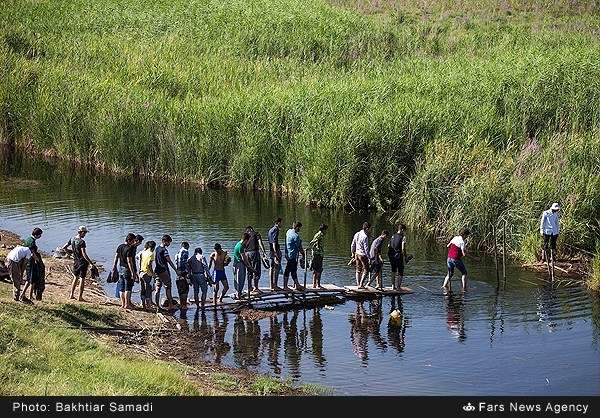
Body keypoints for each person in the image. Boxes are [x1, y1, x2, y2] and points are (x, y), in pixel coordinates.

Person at [62, 226, 95, 301]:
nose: (85, 234)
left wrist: (70, 253)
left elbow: (64, 247)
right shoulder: (81, 242)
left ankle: (71, 295)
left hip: (76, 261)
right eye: (85, 233)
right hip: (82, 262)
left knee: (75, 278)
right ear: (81, 232)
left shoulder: (72, 239)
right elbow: (84, 254)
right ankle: (80, 297)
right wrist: (91, 263)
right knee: (82, 279)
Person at [112, 233, 138, 309]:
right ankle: (127, 304)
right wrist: (133, 272)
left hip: (121, 268)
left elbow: (116, 257)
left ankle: (123, 304)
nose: (134, 242)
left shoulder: (120, 246)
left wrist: (114, 266)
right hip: (127, 270)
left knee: (121, 288)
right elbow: (129, 261)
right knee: (128, 288)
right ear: (130, 240)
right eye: (133, 241)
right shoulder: (129, 249)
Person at [154, 234, 179, 311]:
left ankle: (157, 306)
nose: (169, 244)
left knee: (157, 289)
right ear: (164, 241)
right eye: (169, 243)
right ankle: (171, 305)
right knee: (168, 288)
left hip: (157, 271)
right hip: (164, 271)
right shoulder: (164, 250)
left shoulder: (157, 249)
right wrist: (176, 270)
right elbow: (169, 261)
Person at [442, 228, 470, 292]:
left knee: (450, 274)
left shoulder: (455, 238)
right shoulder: (462, 242)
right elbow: (464, 254)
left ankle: (444, 286)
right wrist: (474, 258)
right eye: (467, 236)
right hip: (456, 259)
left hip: (449, 258)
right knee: (464, 273)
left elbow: (448, 245)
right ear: (465, 235)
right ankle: (464, 289)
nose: (467, 237)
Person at [21, 227, 43, 302]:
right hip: (31, 262)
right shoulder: (32, 242)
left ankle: (27, 295)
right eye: (40, 235)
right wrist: (38, 260)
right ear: (37, 235)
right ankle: (26, 295)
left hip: (27, 261)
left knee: (30, 279)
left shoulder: (28, 239)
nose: (40, 236)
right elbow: (32, 253)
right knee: (32, 280)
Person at [232, 232, 257, 299]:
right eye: (248, 241)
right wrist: (249, 266)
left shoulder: (239, 244)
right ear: (246, 240)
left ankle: (239, 293)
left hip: (238, 264)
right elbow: (244, 258)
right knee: (239, 279)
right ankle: (238, 294)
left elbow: (244, 257)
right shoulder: (240, 246)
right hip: (238, 265)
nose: (248, 243)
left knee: (239, 279)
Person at [244, 226, 267, 295]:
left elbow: (243, 245)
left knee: (249, 270)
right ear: (252, 229)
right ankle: (256, 288)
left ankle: (250, 287)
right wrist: (264, 252)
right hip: (254, 253)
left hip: (246, 253)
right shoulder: (256, 234)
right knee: (256, 269)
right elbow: (260, 243)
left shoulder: (246, 235)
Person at [283, 221, 305, 291]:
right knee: (288, 270)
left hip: (288, 254)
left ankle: (297, 284)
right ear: (297, 227)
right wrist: (304, 254)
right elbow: (299, 247)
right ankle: (285, 286)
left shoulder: (288, 231)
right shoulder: (296, 236)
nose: (300, 230)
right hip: (292, 255)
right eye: (299, 228)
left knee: (293, 270)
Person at [351, 222, 371, 288]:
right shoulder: (365, 236)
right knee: (366, 270)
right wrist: (369, 257)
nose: (370, 230)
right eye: (370, 229)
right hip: (362, 255)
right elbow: (366, 249)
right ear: (367, 228)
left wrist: (352, 253)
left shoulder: (357, 233)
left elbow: (353, 244)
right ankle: (361, 284)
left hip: (357, 253)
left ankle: (358, 284)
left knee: (358, 270)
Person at [387, 224, 407, 290]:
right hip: (399, 256)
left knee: (393, 271)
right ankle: (398, 287)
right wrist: (405, 257)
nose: (405, 232)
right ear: (402, 230)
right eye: (404, 231)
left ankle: (393, 286)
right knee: (400, 272)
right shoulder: (403, 237)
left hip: (392, 256)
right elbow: (403, 248)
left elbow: (388, 246)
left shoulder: (393, 236)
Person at [309, 224, 328, 288]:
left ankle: (315, 284)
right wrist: (310, 248)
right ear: (323, 229)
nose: (326, 231)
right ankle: (317, 284)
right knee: (318, 269)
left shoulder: (320, 234)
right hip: (317, 254)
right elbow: (313, 241)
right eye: (326, 230)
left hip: (319, 254)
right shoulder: (320, 235)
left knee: (317, 269)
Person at [138, 240, 156, 310]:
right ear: (153, 247)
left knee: (142, 289)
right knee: (148, 290)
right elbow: (149, 265)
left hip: (141, 272)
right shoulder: (151, 254)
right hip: (147, 274)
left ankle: (143, 305)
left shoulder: (143, 252)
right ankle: (148, 306)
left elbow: (140, 262)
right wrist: (153, 274)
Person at [267, 218, 283, 290]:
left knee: (271, 268)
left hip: (271, 251)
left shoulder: (270, 230)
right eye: (281, 223)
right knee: (277, 268)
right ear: (278, 223)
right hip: (275, 250)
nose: (282, 224)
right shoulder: (276, 229)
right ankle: (275, 285)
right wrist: (276, 254)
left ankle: (271, 285)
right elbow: (274, 242)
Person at [175, 241, 191, 310]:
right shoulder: (185, 251)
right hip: (184, 272)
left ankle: (181, 304)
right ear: (186, 246)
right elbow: (185, 262)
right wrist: (189, 272)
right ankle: (184, 305)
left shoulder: (177, 253)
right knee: (185, 289)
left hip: (178, 272)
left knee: (180, 289)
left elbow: (176, 262)